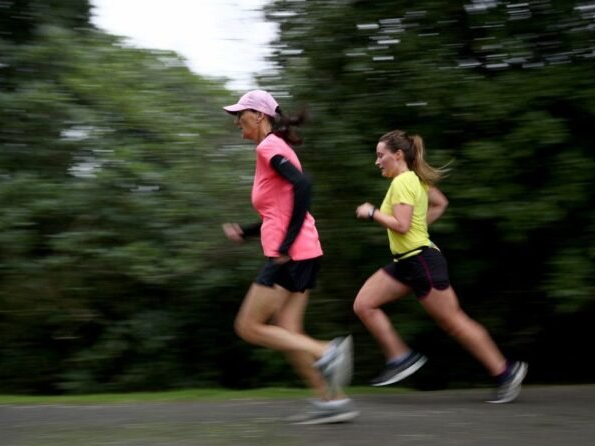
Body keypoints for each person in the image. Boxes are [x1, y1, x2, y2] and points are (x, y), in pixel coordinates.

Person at [353, 130, 527, 403]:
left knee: (455, 322)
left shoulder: (402, 182)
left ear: (397, 155)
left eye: (380, 155)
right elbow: (440, 203)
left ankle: (505, 372)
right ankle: (400, 357)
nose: (377, 161)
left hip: (420, 260)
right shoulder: (415, 181)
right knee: (364, 304)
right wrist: (419, 227)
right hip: (405, 261)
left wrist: (372, 212)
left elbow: (402, 225)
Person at [221, 90, 358, 423]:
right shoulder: (274, 148)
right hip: (305, 252)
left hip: (291, 254)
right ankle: (331, 401)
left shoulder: (269, 147)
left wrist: (286, 244)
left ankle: (327, 351)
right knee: (288, 330)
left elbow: (304, 185)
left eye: (242, 114)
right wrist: (247, 231)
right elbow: (278, 208)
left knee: (249, 327)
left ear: (261, 116)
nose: (237, 120)